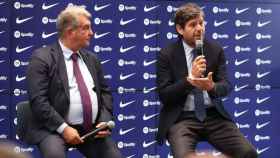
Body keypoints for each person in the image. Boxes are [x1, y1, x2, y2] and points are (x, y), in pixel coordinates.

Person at [156, 3, 257, 158]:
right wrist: (190, 80)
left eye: (201, 23)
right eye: (192, 25)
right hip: (182, 118)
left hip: (213, 116)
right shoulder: (166, 54)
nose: (199, 28)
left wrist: (211, 86)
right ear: (180, 29)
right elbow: (164, 95)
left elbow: (226, 86)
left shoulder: (215, 50)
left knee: (248, 153)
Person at [23, 5, 122, 158]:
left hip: (91, 129)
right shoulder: (42, 58)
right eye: (86, 28)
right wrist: (64, 128)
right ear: (70, 32)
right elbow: (38, 101)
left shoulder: (92, 59)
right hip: (53, 129)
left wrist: (104, 120)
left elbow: (105, 94)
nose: (92, 33)